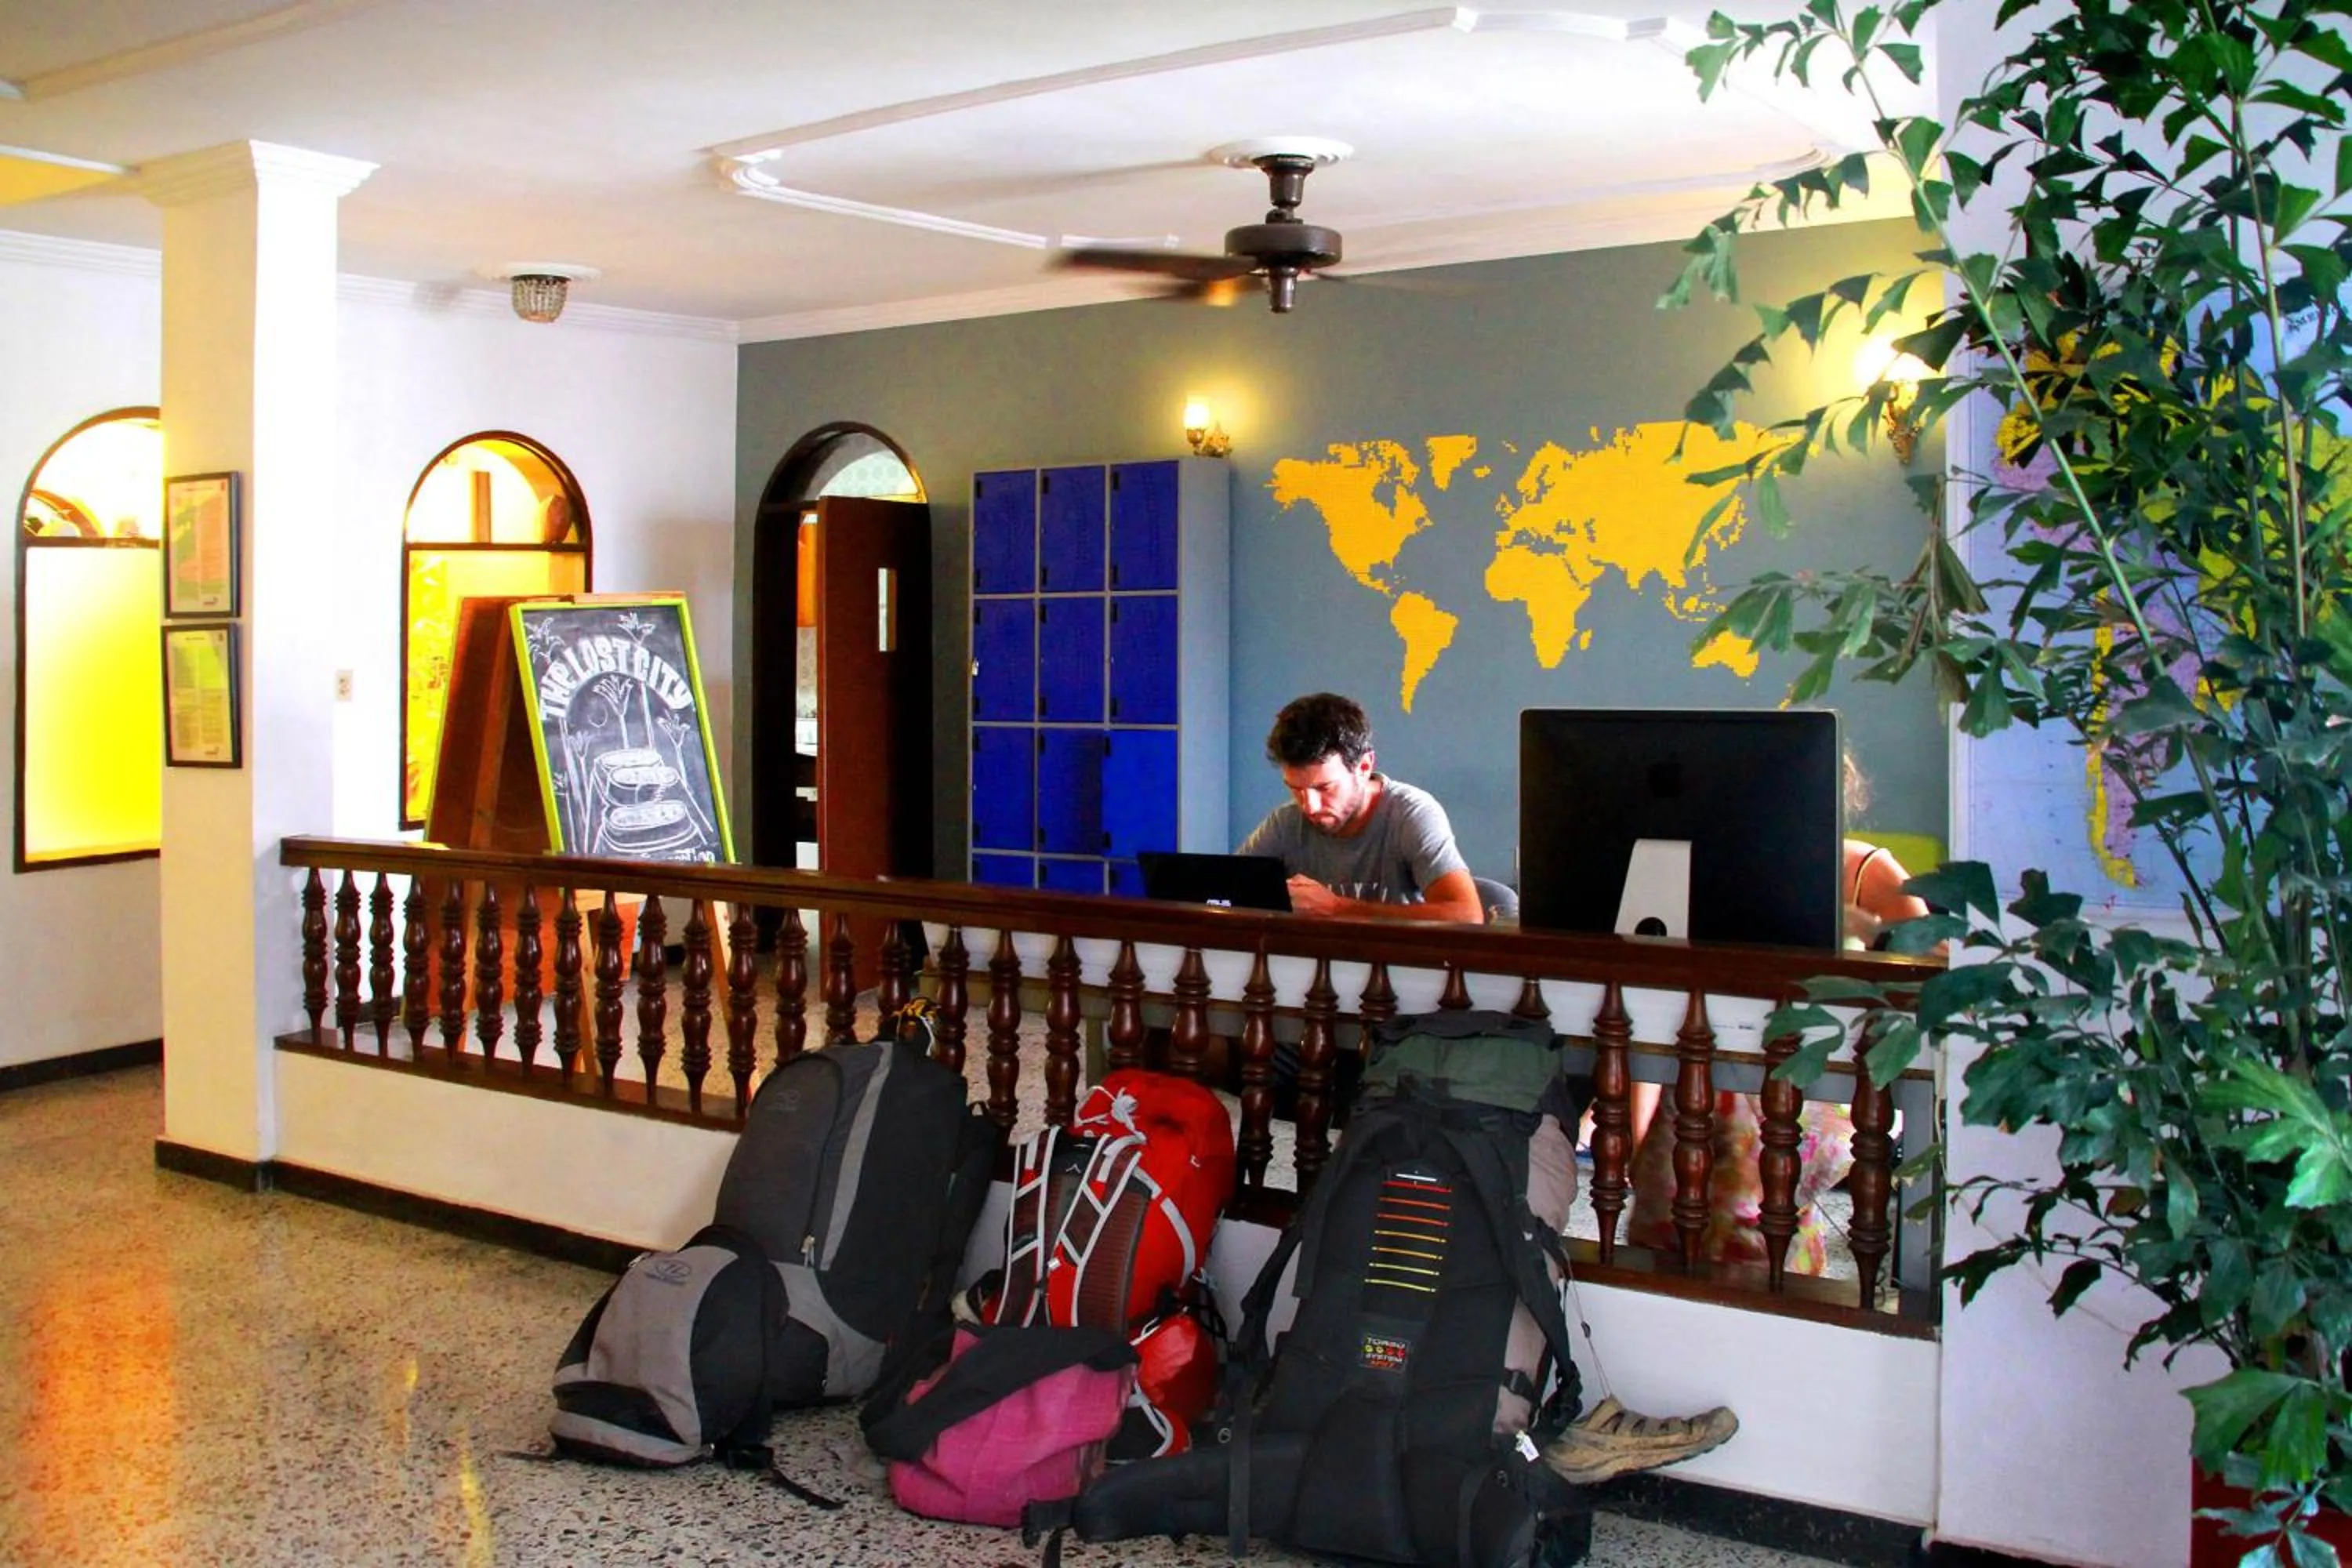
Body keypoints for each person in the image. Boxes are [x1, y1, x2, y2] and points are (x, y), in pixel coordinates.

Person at [1236, 692, 1483, 924]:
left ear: (1364, 767)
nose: (1309, 807)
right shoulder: (1285, 822)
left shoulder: (1411, 813)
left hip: (1396, 965)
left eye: (1324, 788)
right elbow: (1221, 895)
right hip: (1318, 965)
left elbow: (1467, 915)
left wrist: (1339, 908)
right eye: (1295, 789)